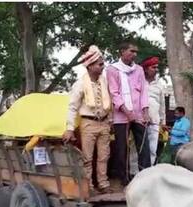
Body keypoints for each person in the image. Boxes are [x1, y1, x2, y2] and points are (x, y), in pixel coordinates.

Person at [63, 45, 112, 194]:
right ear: (90, 66)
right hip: (88, 123)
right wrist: (70, 129)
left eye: (103, 63)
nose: (103, 66)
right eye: (100, 64)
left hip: (104, 122)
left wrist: (110, 121)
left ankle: (103, 184)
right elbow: (72, 107)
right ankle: (88, 186)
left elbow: (109, 103)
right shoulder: (80, 84)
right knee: (87, 158)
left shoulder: (104, 81)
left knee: (104, 156)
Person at [107, 40, 151, 186]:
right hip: (121, 116)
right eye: (132, 51)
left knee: (143, 146)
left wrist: (145, 111)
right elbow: (114, 93)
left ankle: (146, 175)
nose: (135, 54)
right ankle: (124, 179)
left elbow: (144, 91)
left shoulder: (138, 69)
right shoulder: (112, 69)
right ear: (122, 52)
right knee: (122, 148)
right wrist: (127, 112)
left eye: (136, 52)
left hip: (138, 115)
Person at [140, 56, 165, 165]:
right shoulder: (139, 82)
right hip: (140, 121)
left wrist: (162, 122)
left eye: (156, 67)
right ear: (145, 69)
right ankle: (134, 173)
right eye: (153, 67)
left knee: (152, 148)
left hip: (154, 122)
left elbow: (162, 105)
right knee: (138, 148)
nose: (156, 69)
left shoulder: (159, 85)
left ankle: (148, 171)